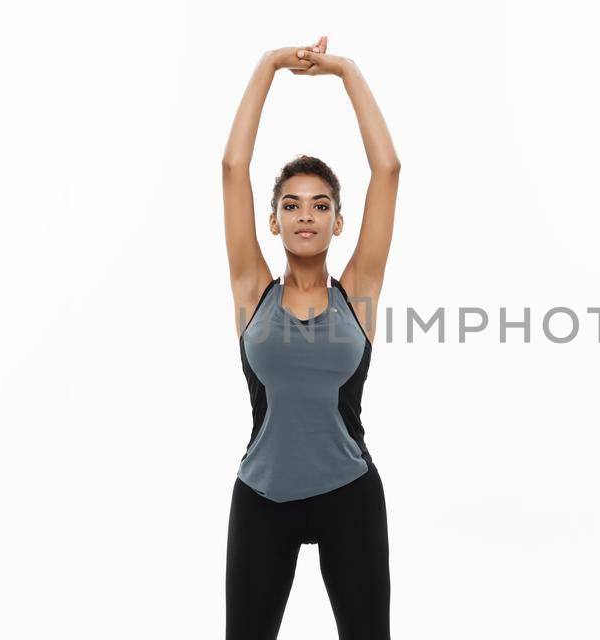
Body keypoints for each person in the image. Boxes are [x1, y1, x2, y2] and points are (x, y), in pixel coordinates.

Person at [220, 35, 400, 640]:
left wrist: (346, 70)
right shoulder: (252, 290)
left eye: (320, 205)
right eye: (292, 205)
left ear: (337, 222)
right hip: (262, 497)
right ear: (273, 220)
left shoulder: (359, 291)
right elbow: (232, 169)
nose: (305, 214)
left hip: (349, 494)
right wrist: (268, 65)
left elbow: (387, 171)